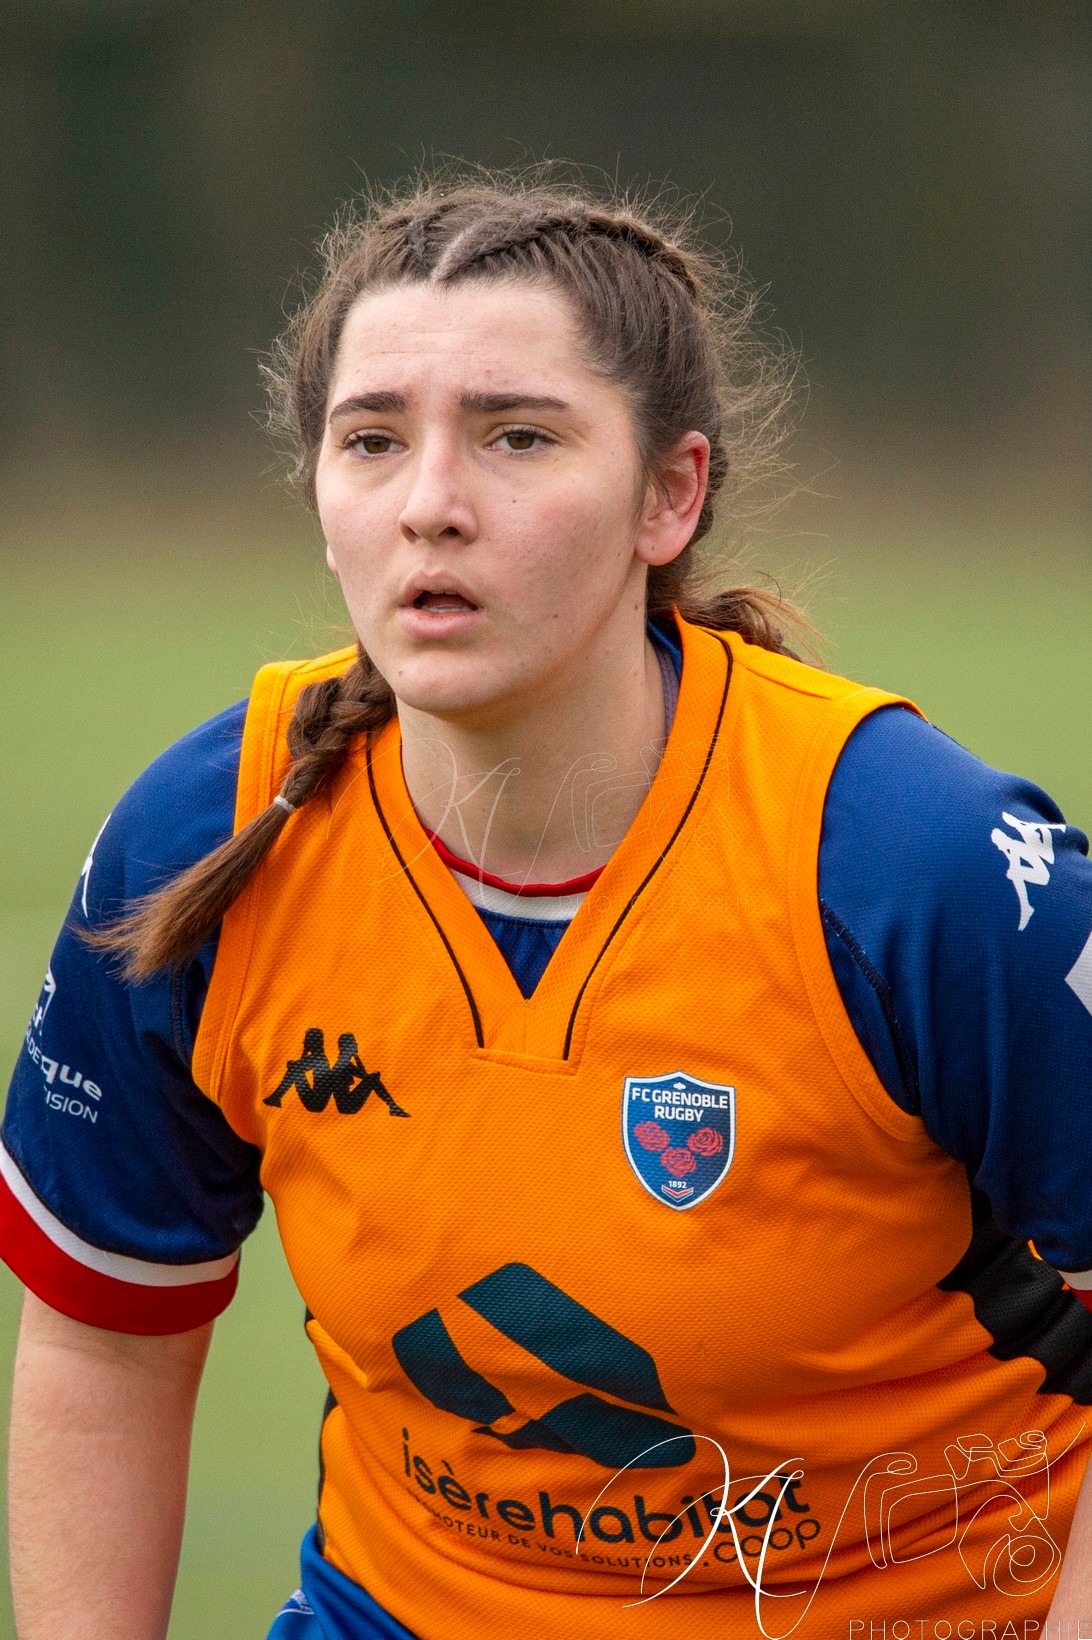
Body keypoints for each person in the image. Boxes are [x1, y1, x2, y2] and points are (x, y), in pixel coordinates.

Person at [3, 172, 1092, 1640]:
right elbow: (105, 1336)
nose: (430, 505)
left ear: (669, 497)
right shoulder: (213, 840)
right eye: (372, 440)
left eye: (518, 437)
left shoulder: (906, 857)